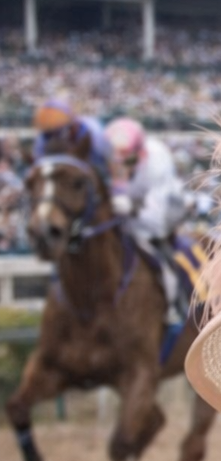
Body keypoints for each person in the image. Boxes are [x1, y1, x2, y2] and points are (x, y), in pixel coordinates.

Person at [106, 117, 188, 322]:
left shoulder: (156, 163)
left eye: (127, 161)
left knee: (159, 252)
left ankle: (173, 304)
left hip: (164, 210)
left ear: (139, 155)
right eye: (115, 162)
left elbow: (156, 223)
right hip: (130, 211)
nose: (121, 167)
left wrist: (130, 209)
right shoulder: (114, 160)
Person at [32, 99, 111, 177]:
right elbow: (38, 162)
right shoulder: (44, 137)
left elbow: (107, 161)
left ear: (72, 124)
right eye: (50, 133)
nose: (54, 137)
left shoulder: (93, 131)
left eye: (58, 132)